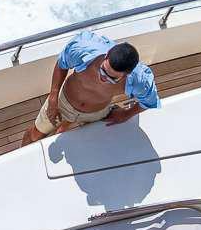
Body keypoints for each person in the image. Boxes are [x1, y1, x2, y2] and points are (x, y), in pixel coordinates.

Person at [23, 30, 160, 145]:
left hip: (95, 114)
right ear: (106, 55)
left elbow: (150, 100)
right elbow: (62, 64)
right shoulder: (83, 48)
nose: (102, 78)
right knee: (34, 136)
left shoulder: (139, 79)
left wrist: (125, 114)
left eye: (111, 78)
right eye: (103, 70)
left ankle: (65, 125)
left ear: (127, 75)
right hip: (62, 102)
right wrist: (53, 97)